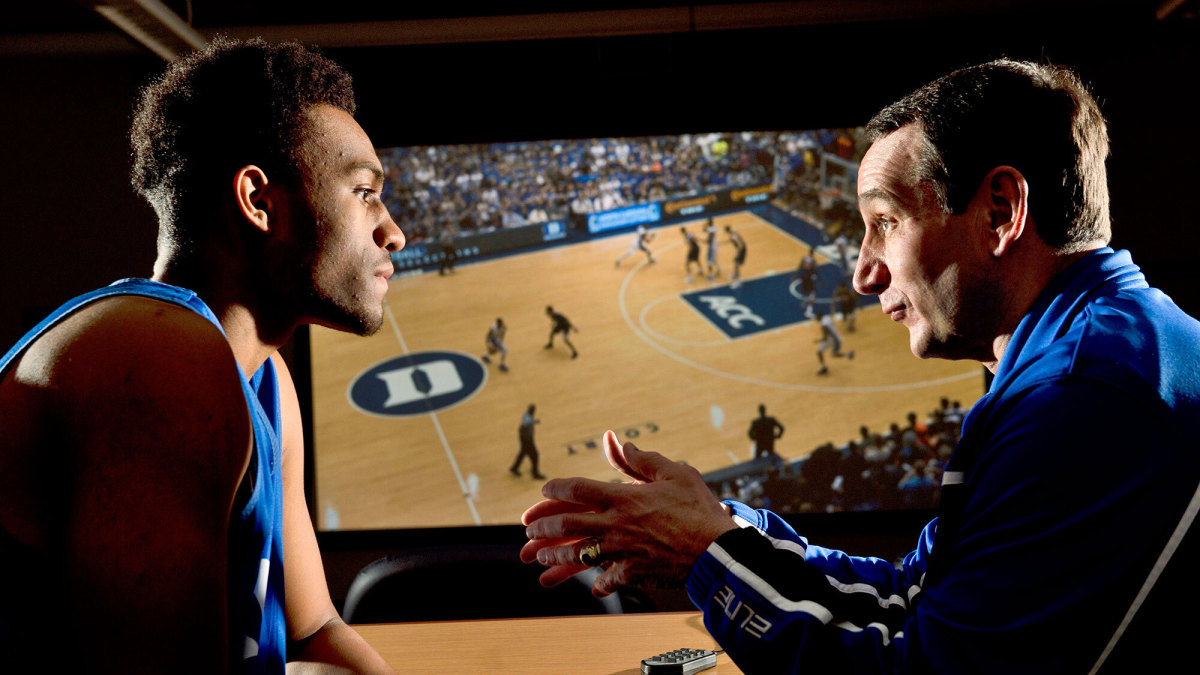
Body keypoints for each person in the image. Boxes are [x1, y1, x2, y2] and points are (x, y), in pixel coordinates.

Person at [520, 59, 1200, 673]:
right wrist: (721, 532)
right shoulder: (1104, 352)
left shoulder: (1081, 399)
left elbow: (922, 670)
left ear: (1000, 212)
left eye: (886, 221)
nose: (863, 272)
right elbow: (915, 598)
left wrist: (706, 557)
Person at [0, 38, 400, 673]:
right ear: (259, 201)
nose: (393, 232)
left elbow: (313, 631)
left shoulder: (264, 378)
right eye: (363, 192)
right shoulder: (155, 358)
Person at [510, 404, 545, 480]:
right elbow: (524, 425)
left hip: (524, 439)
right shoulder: (528, 419)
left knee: (522, 453)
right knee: (535, 455)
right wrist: (526, 434)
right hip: (527, 440)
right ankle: (535, 473)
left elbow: (527, 422)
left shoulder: (526, 415)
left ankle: (514, 468)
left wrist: (534, 421)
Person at [815, 308, 854, 375]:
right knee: (821, 352)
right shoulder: (827, 318)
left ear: (820, 316)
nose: (816, 319)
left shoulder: (823, 325)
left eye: (817, 317)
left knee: (826, 353)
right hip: (834, 338)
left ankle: (824, 368)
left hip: (834, 340)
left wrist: (818, 340)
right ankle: (848, 354)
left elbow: (825, 338)